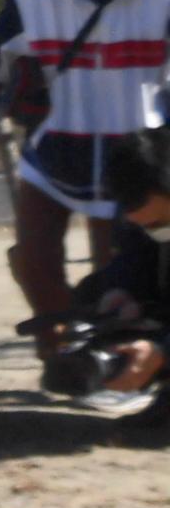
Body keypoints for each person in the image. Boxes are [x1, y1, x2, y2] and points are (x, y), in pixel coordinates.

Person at [0, 0, 170, 346]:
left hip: (137, 158)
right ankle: (59, 350)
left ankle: (120, 364)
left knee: (120, 272)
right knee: (34, 257)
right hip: (57, 147)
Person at [77, 126, 170, 408]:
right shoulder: (137, 197)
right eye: (142, 224)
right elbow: (134, 257)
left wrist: (164, 352)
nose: (152, 230)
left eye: (159, 223)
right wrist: (122, 292)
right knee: (94, 295)